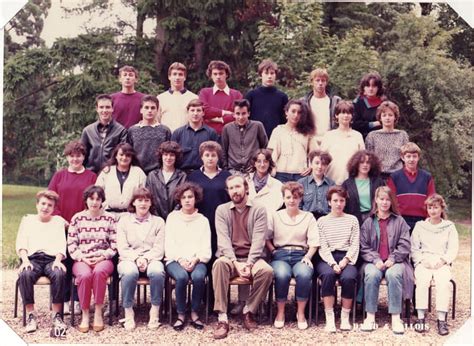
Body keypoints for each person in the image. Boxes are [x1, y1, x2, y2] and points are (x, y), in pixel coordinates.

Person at [212, 175, 273, 339]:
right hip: (230, 258)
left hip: (252, 257)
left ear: (246, 188)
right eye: (231, 188)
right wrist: (235, 263)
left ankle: (248, 310)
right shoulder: (222, 210)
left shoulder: (259, 209)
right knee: (218, 265)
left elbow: (259, 240)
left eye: (238, 187)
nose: (235, 191)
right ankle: (222, 317)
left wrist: (250, 263)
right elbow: (223, 241)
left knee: (267, 271)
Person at [48, 140, 97, 314]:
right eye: (72, 156)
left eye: (79, 156)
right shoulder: (59, 175)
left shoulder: (91, 176)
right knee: (64, 263)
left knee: (79, 263)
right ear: (67, 157)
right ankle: (64, 299)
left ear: (84, 157)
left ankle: (78, 299)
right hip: (62, 226)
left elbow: (93, 200)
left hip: (83, 227)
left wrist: (80, 220)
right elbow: (51, 199)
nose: (75, 159)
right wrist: (61, 219)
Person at [359, 186, 413, 335]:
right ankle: (370, 317)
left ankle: (396, 318)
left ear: (391, 201)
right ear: (376, 200)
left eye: (388, 199)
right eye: (381, 199)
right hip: (373, 262)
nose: (384, 202)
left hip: (396, 262)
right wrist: (375, 259)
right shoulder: (368, 222)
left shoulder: (399, 221)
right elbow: (363, 246)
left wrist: (393, 258)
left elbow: (405, 244)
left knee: (393, 275)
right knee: (371, 275)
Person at [266, 182, 319, 330]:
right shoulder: (275, 216)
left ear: (300, 198)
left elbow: (314, 242)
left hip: (301, 254)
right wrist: (273, 251)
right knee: (282, 275)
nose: (291, 200)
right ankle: (280, 312)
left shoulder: (308, 217)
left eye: (295, 197)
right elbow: (266, 237)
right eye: (288, 197)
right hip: (280, 255)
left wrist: (308, 256)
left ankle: (300, 313)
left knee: (304, 274)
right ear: (283, 198)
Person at [16, 190, 68, 333]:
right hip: (33, 258)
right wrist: (25, 260)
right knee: (25, 274)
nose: (45, 207)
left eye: (49, 205)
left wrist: (58, 260)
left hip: (52, 259)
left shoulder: (57, 221)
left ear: (53, 208)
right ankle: (31, 316)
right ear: (37, 205)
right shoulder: (27, 220)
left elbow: (61, 244)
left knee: (59, 273)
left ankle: (57, 316)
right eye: (43, 203)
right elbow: (21, 243)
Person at [68, 185, 117, 333]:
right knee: (84, 275)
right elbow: (71, 245)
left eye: (98, 199)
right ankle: (84, 314)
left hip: (103, 259)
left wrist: (102, 256)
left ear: (102, 201)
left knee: (98, 273)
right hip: (82, 259)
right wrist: (83, 258)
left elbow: (114, 245)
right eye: (91, 198)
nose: (95, 202)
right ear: (86, 200)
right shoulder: (77, 218)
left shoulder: (110, 218)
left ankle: (97, 312)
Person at [116, 187, 166, 331]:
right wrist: (137, 258)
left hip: (152, 258)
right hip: (128, 259)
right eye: (139, 200)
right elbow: (122, 247)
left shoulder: (158, 222)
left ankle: (155, 311)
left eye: (146, 200)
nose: (143, 204)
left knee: (157, 272)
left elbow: (159, 248)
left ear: (151, 203)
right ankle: (128, 311)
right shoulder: (124, 221)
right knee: (130, 272)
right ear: (133, 202)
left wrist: (146, 258)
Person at [164, 183, 211, 331]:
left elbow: (206, 247)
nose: (187, 200)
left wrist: (196, 259)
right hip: (175, 259)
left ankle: (195, 313)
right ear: (179, 200)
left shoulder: (203, 220)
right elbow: (169, 244)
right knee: (182, 277)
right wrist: (180, 259)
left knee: (198, 277)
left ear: (195, 198)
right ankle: (180, 314)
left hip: (197, 260)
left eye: (190, 197)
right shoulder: (172, 218)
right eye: (183, 197)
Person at [411, 194, 459, 336]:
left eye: (436, 207)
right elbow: (414, 247)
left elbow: (453, 248)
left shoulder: (449, 227)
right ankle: (420, 318)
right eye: (430, 207)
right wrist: (420, 260)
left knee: (443, 281)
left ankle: (441, 320)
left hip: (441, 261)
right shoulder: (420, 226)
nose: (433, 211)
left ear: (441, 208)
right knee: (422, 280)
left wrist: (444, 261)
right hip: (424, 260)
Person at [316, 186, 359, 333]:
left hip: (347, 257)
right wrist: (333, 263)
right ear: (329, 202)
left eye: (341, 200)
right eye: (335, 200)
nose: (338, 204)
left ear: (345, 202)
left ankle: (345, 317)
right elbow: (322, 246)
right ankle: (330, 318)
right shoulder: (321, 221)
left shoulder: (352, 220)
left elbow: (354, 244)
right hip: (327, 258)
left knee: (349, 278)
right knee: (327, 275)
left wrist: (345, 260)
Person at [187, 141, 231, 256]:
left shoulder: (227, 176)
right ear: (201, 157)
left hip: (221, 221)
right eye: (207, 155)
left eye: (213, 155)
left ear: (218, 158)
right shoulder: (193, 176)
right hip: (200, 220)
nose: (210, 158)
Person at [387, 142, 436, 232]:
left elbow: (432, 199)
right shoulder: (394, 177)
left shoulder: (427, 177)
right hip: (401, 219)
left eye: (414, 156)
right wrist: (397, 218)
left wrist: (429, 219)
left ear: (418, 158)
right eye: (408, 156)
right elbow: (391, 200)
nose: (411, 159)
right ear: (403, 158)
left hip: (422, 220)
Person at [267, 99, 315, 183]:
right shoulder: (278, 130)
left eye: (299, 112)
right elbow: (271, 154)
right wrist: (271, 173)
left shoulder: (307, 133)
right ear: (286, 112)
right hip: (281, 174)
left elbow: (314, 153)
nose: (296, 115)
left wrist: (311, 166)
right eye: (293, 111)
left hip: (300, 174)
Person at [96, 143, 146, 219]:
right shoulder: (106, 171)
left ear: (132, 157)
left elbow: (143, 195)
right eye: (121, 154)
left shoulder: (138, 172)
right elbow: (97, 192)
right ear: (116, 156)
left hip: (130, 216)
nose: (124, 157)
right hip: (107, 215)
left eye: (128, 155)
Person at [320, 100, 365, 185]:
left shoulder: (357, 136)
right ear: (336, 115)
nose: (345, 116)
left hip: (352, 182)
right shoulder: (329, 136)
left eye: (348, 113)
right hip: (331, 181)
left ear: (352, 116)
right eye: (342, 113)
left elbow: (362, 160)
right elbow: (322, 159)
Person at [81, 94, 127, 174]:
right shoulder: (88, 131)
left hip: (111, 174)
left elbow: (123, 155)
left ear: (112, 109)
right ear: (97, 109)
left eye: (108, 107)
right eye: (101, 107)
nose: (104, 110)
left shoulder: (121, 131)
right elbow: (82, 154)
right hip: (91, 173)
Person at [170, 99, 220, 174]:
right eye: (192, 110)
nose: (195, 113)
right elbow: (172, 155)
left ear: (203, 113)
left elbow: (217, 155)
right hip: (182, 174)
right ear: (188, 112)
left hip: (204, 174)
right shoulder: (178, 133)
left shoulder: (211, 133)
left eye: (198, 110)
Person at [127, 95, 171, 174]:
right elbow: (128, 153)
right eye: (146, 108)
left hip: (158, 173)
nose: (149, 110)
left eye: (153, 108)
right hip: (137, 172)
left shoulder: (165, 130)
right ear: (141, 110)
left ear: (157, 110)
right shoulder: (132, 130)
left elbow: (169, 153)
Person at [221, 99, 268, 174]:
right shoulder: (227, 128)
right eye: (237, 114)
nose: (241, 117)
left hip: (253, 171)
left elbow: (264, 147)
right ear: (233, 114)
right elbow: (224, 150)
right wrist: (226, 169)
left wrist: (257, 165)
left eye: (243, 113)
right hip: (233, 171)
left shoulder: (257, 126)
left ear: (248, 113)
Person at [365, 100, 409, 179]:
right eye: (384, 115)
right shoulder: (372, 136)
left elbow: (406, 158)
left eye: (390, 115)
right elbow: (369, 159)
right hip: (378, 176)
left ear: (395, 117)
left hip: (398, 176)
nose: (387, 118)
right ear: (380, 118)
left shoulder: (402, 135)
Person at [245, 59, 288, 138]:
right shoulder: (251, 95)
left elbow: (285, 121)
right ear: (260, 74)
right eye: (266, 73)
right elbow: (245, 118)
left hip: (276, 138)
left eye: (272, 73)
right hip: (255, 138)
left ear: (275, 75)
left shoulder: (282, 97)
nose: (269, 76)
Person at [198, 60, 243, 135]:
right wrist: (224, 112)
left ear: (226, 75)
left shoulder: (236, 95)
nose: (218, 77)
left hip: (230, 135)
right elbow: (204, 111)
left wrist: (219, 119)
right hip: (207, 135)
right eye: (215, 74)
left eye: (221, 73)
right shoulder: (204, 92)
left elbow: (238, 115)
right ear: (211, 76)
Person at [342, 150, 385, 226]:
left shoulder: (378, 182)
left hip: (375, 218)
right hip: (354, 219)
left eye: (368, 162)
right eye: (362, 162)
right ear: (356, 164)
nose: (365, 165)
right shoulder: (347, 184)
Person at [146, 141, 187, 220]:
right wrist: (157, 217)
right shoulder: (152, 175)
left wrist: (173, 216)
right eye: (165, 154)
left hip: (176, 219)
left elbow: (182, 199)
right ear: (161, 156)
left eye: (172, 155)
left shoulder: (182, 176)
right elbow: (149, 197)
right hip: (155, 219)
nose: (168, 158)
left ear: (176, 157)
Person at [302, 68, 341, 146]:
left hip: (331, 140)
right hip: (311, 141)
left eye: (323, 80)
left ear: (326, 82)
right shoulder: (304, 102)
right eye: (317, 80)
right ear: (312, 82)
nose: (320, 83)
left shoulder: (335, 101)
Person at [157, 62, 198, 132]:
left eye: (180, 74)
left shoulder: (194, 98)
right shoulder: (160, 98)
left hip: (186, 137)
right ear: (169, 77)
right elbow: (157, 121)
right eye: (174, 74)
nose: (177, 77)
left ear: (184, 77)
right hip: (167, 139)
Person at [298, 150, 335, 220]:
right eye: (317, 163)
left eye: (323, 164)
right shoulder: (301, 183)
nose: (320, 166)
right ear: (311, 164)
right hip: (307, 219)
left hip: (326, 220)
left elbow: (333, 206)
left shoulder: (331, 184)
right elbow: (298, 206)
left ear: (327, 166)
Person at [352, 72, 385, 139]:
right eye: (368, 86)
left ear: (378, 88)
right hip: (362, 138)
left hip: (382, 137)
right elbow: (354, 124)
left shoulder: (384, 103)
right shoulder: (357, 103)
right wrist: (374, 124)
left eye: (374, 86)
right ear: (363, 87)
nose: (371, 89)